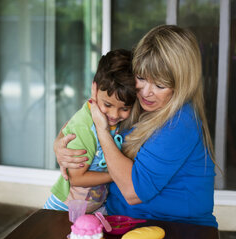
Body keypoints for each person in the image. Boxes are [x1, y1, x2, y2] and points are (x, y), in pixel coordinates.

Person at [53, 25, 218, 228]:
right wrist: (60, 142)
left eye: (160, 85)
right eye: (141, 77)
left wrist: (102, 130)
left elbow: (133, 192)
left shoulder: (180, 121)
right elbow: (83, 120)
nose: (146, 92)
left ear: (182, 84)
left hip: (175, 230)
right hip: (119, 221)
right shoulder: (139, 102)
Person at [44, 49, 136, 213]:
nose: (114, 115)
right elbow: (77, 178)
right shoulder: (84, 126)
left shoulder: (119, 121)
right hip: (64, 209)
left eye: (124, 108)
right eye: (107, 105)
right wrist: (117, 175)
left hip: (93, 208)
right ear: (94, 89)